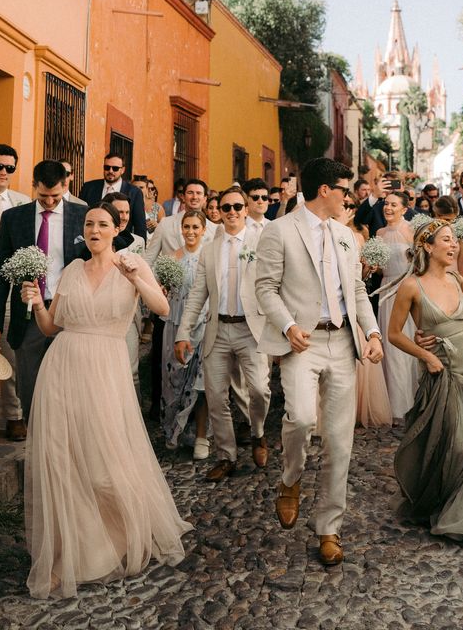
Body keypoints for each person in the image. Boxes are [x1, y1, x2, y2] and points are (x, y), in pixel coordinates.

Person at [20, 203, 191, 598]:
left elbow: (162, 308)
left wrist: (137, 278)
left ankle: (121, 535)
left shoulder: (130, 264)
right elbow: (50, 327)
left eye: (102, 224)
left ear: (117, 229)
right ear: (84, 232)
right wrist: (38, 301)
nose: (95, 229)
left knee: (103, 464)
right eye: (89, 224)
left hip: (106, 373)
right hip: (62, 370)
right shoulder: (72, 271)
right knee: (65, 462)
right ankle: (76, 555)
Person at [256, 157, 383, 567]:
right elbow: (265, 287)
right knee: (302, 419)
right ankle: (290, 477)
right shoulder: (280, 231)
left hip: (343, 342)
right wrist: (288, 326)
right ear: (325, 190)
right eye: (345, 190)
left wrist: (373, 332)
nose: (351, 197)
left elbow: (358, 291)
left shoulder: (346, 235)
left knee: (340, 441)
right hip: (302, 343)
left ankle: (329, 528)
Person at [388, 219, 463, 541]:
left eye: (454, 241)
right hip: (442, 372)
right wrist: (426, 355)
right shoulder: (411, 286)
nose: (454, 246)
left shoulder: (456, 278)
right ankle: (439, 496)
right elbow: (395, 334)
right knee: (458, 445)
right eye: (447, 241)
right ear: (427, 245)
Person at [175, 186, 271, 481]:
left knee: (259, 390)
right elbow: (197, 295)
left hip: (251, 330)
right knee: (217, 397)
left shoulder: (261, 243)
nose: (231, 212)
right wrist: (183, 332)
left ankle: (257, 432)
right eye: (225, 207)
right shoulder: (210, 249)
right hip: (218, 330)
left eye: (237, 207)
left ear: (246, 209)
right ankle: (226, 455)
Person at [0, 160, 87, 417]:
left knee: (68, 385)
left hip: (69, 313)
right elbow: (1, 273)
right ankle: (34, 442)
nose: (50, 202)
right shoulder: (14, 218)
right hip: (27, 315)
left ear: (66, 185)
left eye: (56, 196)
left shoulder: (82, 216)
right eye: (44, 196)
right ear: (34, 186)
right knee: (29, 384)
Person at [337, 193, 391, 429]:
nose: (346, 209)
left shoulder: (359, 236)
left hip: (354, 302)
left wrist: (368, 270)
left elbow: (360, 278)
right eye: (344, 205)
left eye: (349, 206)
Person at [161, 210, 210, 458]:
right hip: (174, 322)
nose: (190, 232)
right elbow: (161, 294)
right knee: (174, 381)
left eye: (195, 227)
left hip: (202, 325)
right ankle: (175, 430)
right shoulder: (172, 258)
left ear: (203, 230)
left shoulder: (209, 258)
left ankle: (201, 435)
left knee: (200, 383)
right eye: (186, 227)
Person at [376, 191, 418, 420]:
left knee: (407, 345)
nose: (388, 208)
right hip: (386, 291)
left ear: (404, 208)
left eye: (393, 204)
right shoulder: (380, 233)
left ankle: (412, 401)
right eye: (385, 204)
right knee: (390, 350)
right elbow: (381, 268)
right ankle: (394, 404)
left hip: (407, 292)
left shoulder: (412, 231)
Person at [0, 144, 30, 442]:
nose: (3, 173)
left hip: (6, 289)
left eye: (9, 168)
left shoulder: (21, 204)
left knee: (8, 352)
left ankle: (14, 415)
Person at [102, 192, 145, 399]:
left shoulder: (137, 242)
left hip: (129, 310)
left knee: (131, 370)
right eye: (120, 212)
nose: (125, 216)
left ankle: (133, 418)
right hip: (102, 310)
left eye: (128, 212)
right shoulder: (95, 239)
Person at [79, 154, 147, 241]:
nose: (110, 171)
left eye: (115, 168)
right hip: (92, 241)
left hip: (123, 244)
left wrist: (140, 248)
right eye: (107, 167)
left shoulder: (134, 192)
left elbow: (140, 225)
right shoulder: (89, 187)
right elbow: (80, 217)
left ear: (123, 170)